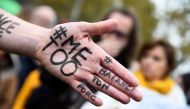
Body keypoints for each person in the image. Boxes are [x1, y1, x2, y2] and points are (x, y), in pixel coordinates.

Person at [0, 9, 142, 106]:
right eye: (110, 31)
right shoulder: (73, 47)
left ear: (129, 41)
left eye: (120, 35)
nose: (112, 37)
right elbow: (44, 78)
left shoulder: (127, 76)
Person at [134, 40, 186, 104]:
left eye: (156, 59)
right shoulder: (127, 79)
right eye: (145, 56)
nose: (148, 62)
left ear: (168, 66)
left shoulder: (175, 94)